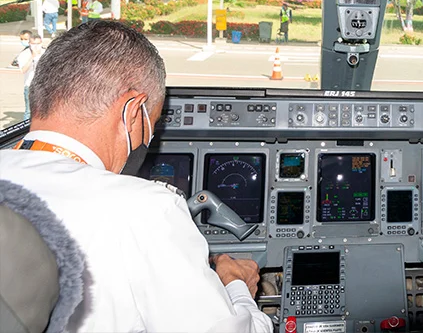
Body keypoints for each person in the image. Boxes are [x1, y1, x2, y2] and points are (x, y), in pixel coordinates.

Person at [0, 21, 273, 333]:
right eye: (151, 126)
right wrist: (237, 288)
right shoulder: (144, 209)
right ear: (132, 112)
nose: (148, 140)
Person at [10, 33, 43, 121]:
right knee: (29, 110)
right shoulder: (24, 54)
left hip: (43, 86)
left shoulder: (45, 53)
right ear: (29, 44)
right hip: (29, 85)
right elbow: (23, 70)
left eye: (38, 44)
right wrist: (32, 57)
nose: (36, 46)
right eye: (33, 44)